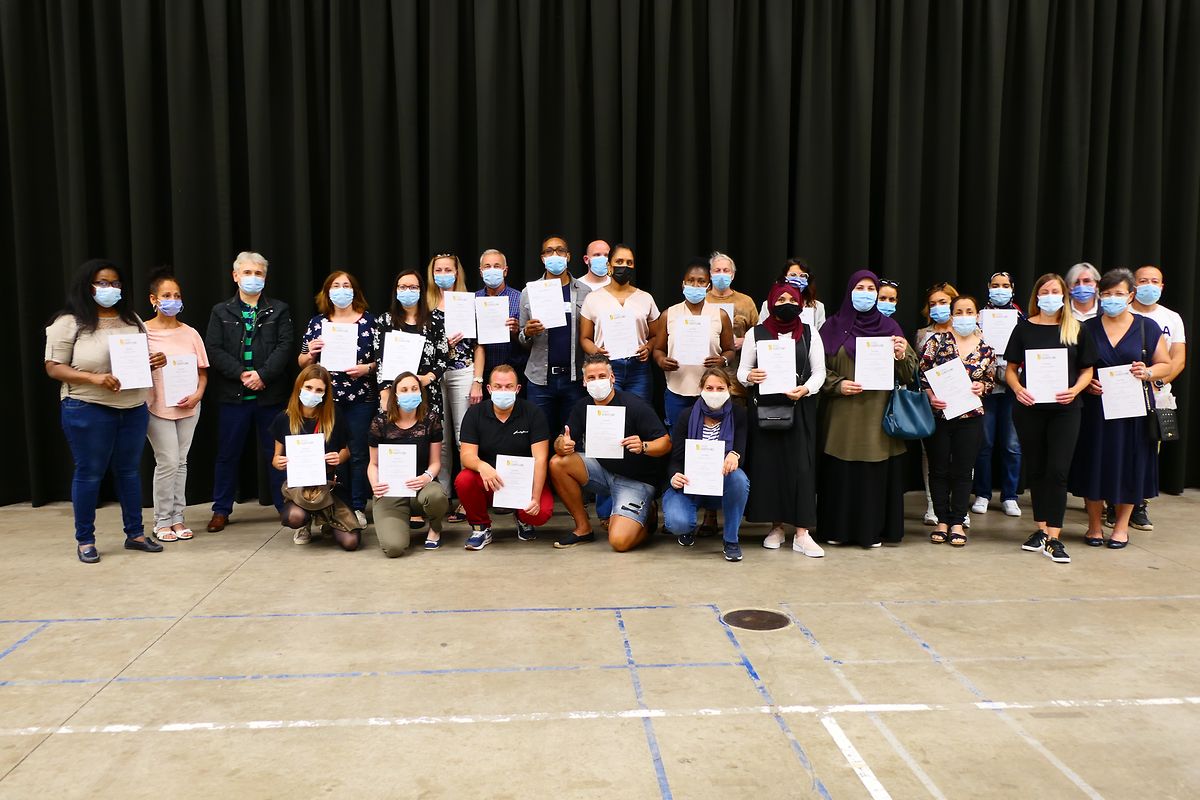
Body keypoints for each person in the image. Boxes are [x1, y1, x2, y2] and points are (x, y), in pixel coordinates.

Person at [45, 259, 168, 563]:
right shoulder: (69, 322)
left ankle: (135, 534)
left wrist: (155, 361)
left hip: (133, 407)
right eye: (102, 283)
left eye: (115, 283)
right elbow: (53, 367)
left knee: (129, 472)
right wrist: (94, 378)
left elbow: (139, 358)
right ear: (87, 286)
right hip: (88, 408)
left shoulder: (132, 319)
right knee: (90, 473)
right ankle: (85, 540)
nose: (110, 288)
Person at [1069, 269, 1171, 549]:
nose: (1112, 298)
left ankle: (1122, 527)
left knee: (1130, 466)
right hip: (1095, 410)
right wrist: (1086, 384)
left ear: (1130, 296)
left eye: (1118, 293)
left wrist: (1148, 372)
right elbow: (1076, 368)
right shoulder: (1086, 328)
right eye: (1107, 294)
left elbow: (1166, 364)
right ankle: (1094, 526)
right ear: (1100, 296)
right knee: (1094, 464)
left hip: (1133, 411)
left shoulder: (1147, 327)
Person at [817, 270, 918, 548]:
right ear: (849, 291)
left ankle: (872, 531)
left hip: (878, 415)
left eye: (871, 289)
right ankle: (837, 530)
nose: (865, 294)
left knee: (874, 475)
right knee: (841, 475)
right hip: (841, 417)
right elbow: (815, 369)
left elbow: (909, 374)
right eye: (859, 288)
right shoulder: (831, 326)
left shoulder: (891, 327)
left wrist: (901, 354)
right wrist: (837, 384)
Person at [1004, 273, 1096, 564]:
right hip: (1029, 408)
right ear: (1036, 296)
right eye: (1044, 291)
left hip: (1065, 410)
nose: (1050, 296)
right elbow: (1011, 369)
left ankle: (1055, 537)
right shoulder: (1024, 328)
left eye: (1055, 291)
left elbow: (1088, 370)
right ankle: (1041, 530)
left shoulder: (1076, 328)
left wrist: (1075, 390)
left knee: (1058, 470)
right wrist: (1018, 389)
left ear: (1064, 296)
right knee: (1037, 469)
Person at [205, 251, 294, 532]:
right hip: (234, 396)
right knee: (227, 454)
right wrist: (242, 375)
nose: (253, 278)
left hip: (270, 395)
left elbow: (285, 346)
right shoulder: (221, 311)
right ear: (235, 276)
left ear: (265, 278)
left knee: (276, 453)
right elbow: (213, 348)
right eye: (247, 273)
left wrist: (262, 375)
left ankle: (284, 505)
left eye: (258, 273)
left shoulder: (279, 309)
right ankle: (221, 509)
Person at [549, 354, 671, 552]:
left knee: (619, 542)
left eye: (602, 376)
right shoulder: (582, 407)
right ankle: (583, 528)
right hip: (603, 471)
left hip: (635, 481)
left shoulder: (634, 404)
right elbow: (561, 441)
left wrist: (644, 446)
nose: (597, 382)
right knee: (558, 462)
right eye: (591, 378)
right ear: (584, 382)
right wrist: (562, 444)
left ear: (612, 378)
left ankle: (647, 517)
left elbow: (665, 443)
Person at [739, 282, 827, 557]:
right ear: (771, 303)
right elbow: (742, 372)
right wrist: (749, 377)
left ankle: (802, 533)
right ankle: (776, 528)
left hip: (800, 407)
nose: (786, 303)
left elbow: (820, 372)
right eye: (780, 299)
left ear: (800, 303)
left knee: (801, 469)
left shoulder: (810, 333)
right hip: (766, 409)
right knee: (771, 468)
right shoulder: (756, 333)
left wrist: (806, 389)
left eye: (791, 299)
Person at [298, 271, 380, 528]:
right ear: (327, 292)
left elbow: (382, 360)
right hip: (327, 401)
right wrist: (310, 354)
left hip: (361, 398)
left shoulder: (370, 322)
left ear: (354, 291)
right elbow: (302, 362)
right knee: (331, 453)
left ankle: (358, 507)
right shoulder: (317, 323)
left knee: (358, 453)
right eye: (336, 285)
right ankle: (331, 507)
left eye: (346, 285)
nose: (341, 290)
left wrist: (366, 368)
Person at [378, 268, 452, 533]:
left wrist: (428, 378)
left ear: (421, 290)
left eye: (412, 287)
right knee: (399, 444)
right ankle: (404, 502)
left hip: (426, 393)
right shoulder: (385, 320)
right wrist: (384, 391)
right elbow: (379, 358)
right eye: (402, 287)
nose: (407, 291)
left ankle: (431, 503)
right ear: (395, 290)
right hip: (395, 395)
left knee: (431, 445)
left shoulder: (434, 321)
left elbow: (444, 357)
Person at [920, 295, 995, 547]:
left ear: (977, 315)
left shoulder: (985, 349)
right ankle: (942, 520)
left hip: (970, 417)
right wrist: (931, 396)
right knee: (938, 469)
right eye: (959, 312)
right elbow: (922, 373)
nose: (964, 316)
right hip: (940, 416)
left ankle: (957, 522)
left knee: (964, 471)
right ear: (952, 315)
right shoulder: (936, 341)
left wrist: (981, 387)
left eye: (969, 311)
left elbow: (990, 381)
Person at [455, 365, 554, 550]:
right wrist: (482, 466)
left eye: (509, 386)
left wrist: (535, 497)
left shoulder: (533, 413)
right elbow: (467, 455)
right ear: (489, 389)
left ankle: (523, 519)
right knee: (464, 480)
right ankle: (481, 528)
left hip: (524, 481)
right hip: (490, 480)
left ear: (517, 389)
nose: (503, 391)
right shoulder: (475, 413)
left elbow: (540, 459)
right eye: (498, 386)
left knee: (540, 514)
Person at [143, 266, 209, 542]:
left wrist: (198, 394)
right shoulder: (142, 331)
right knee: (167, 461)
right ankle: (161, 520)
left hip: (189, 406)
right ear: (153, 299)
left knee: (181, 462)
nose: (173, 300)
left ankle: (178, 518)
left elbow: (202, 372)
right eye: (166, 295)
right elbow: (131, 370)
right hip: (156, 406)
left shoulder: (190, 333)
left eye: (177, 295)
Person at [662, 369, 750, 561]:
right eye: (709, 388)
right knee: (678, 523)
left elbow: (741, 450)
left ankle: (731, 540)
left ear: (729, 389)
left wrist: (735, 455)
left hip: (721, 483)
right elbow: (676, 458)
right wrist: (675, 475)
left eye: (720, 388)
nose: (714, 393)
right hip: (690, 484)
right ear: (701, 389)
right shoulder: (687, 415)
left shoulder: (739, 414)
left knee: (739, 479)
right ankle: (687, 528)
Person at [270, 364, 360, 550]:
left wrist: (339, 457)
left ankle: (328, 520)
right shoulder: (284, 418)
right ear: (299, 387)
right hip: (300, 488)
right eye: (309, 387)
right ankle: (305, 523)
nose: (313, 393)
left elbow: (346, 451)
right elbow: (275, 458)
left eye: (319, 390)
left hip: (330, 487)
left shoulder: (334, 415)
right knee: (295, 517)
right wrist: (278, 462)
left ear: (325, 393)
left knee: (351, 542)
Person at [1125, 264, 1187, 531]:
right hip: (1122, 394)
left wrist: (1158, 380)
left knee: (1148, 450)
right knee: (1120, 448)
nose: (1149, 285)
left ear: (1162, 286)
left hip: (1158, 396)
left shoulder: (1172, 318)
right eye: (1143, 281)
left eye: (1154, 281)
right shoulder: (1122, 313)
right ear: (1133, 286)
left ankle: (1139, 504)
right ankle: (1112, 503)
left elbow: (1178, 359)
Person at [426, 253, 485, 522]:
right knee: (440, 438)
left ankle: (465, 498)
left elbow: (479, 345)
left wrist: (477, 380)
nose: (443, 274)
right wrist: (441, 346)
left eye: (448, 270)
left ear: (457, 273)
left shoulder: (468, 303)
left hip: (463, 372)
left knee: (464, 437)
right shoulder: (425, 305)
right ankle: (442, 495)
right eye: (438, 270)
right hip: (434, 376)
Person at [518, 235, 592, 436]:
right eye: (549, 251)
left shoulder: (585, 292)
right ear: (542, 258)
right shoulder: (529, 292)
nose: (555, 255)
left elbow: (591, 334)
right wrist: (527, 332)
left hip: (574, 378)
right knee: (540, 436)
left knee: (572, 436)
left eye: (560, 250)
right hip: (540, 379)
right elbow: (522, 339)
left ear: (568, 256)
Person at [367, 372, 448, 555]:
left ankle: (435, 528)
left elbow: (436, 462)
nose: (410, 393)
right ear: (395, 395)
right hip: (390, 491)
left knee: (436, 496)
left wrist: (427, 477)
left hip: (421, 487)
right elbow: (373, 464)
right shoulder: (380, 422)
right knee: (394, 548)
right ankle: (398, 523)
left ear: (421, 392)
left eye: (414, 389)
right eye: (404, 390)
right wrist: (375, 484)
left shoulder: (431, 419)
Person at [653, 258, 735, 427]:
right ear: (683, 284)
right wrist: (661, 360)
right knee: (677, 436)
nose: (695, 285)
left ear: (709, 286)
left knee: (709, 436)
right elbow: (658, 349)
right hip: (677, 390)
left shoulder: (720, 315)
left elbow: (730, 350)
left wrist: (723, 360)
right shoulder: (669, 314)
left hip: (711, 391)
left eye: (701, 281)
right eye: (691, 280)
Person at [971, 272, 1024, 518]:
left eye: (1004, 285)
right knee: (984, 443)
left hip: (1013, 388)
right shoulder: (979, 317)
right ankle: (982, 493)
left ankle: (1010, 496)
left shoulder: (1021, 317)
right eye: (995, 285)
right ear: (988, 287)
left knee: (1012, 445)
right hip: (986, 389)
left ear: (1012, 288)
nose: (999, 289)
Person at [580, 243, 660, 398]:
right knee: (610, 410)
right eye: (619, 261)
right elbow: (584, 338)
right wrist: (596, 351)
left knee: (639, 409)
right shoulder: (592, 298)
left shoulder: (645, 298)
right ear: (609, 266)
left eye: (629, 262)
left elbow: (656, 335)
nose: (624, 266)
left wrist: (649, 348)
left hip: (638, 368)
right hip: (606, 366)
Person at [914, 282, 959, 526]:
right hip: (932, 402)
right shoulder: (922, 334)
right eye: (933, 304)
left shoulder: (971, 330)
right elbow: (918, 370)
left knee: (961, 456)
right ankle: (934, 505)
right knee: (931, 455)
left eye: (943, 302)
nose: (938, 307)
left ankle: (959, 507)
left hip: (963, 403)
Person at [475, 249, 525, 388]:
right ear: (481, 272)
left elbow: (530, 341)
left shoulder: (520, 298)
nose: (492, 270)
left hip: (513, 372)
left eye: (497, 266)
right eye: (487, 266)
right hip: (482, 372)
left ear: (505, 271)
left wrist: (516, 331)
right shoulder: (473, 299)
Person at [706, 251, 760, 368]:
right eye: (717, 270)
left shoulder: (746, 301)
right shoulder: (702, 300)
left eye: (726, 270)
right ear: (710, 274)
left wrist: (744, 341)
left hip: (738, 366)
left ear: (733, 275)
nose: (721, 274)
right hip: (706, 365)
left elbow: (759, 333)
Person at [757, 258, 825, 330]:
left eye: (802, 275)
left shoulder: (818, 307)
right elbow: (760, 331)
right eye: (793, 275)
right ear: (784, 278)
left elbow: (821, 334)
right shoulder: (768, 304)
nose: (798, 279)